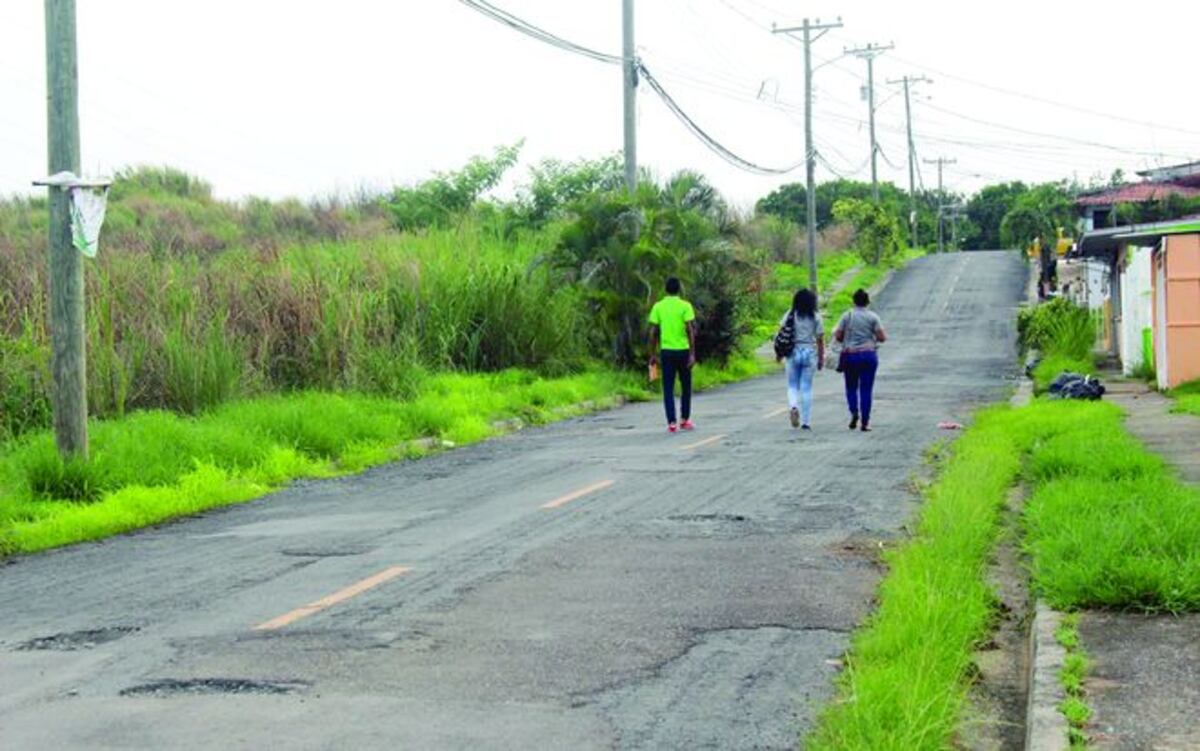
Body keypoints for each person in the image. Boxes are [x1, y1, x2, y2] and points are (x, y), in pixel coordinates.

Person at [648, 277, 697, 433]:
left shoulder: (658, 307)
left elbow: (653, 332)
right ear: (679, 289)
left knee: (668, 388)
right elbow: (690, 330)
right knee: (686, 386)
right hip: (683, 351)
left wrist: (652, 354)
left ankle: (671, 422)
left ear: (665, 290)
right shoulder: (685, 306)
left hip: (666, 352)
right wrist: (692, 354)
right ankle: (685, 419)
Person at [834, 288, 887, 432]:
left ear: (854, 301)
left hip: (850, 356)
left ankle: (853, 411)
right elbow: (882, 337)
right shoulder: (873, 317)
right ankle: (865, 422)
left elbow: (838, 335)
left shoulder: (847, 316)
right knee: (866, 389)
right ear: (867, 301)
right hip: (868, 356)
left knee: (851, 387)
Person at [776, 288, 824, 430]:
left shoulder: (790, 315)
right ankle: (806, 422)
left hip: (792, 352)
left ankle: (793, 407)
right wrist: (821, 358)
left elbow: (782, 334)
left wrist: (779, 354)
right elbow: (820, 339)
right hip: (809, 352)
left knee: (792, 385)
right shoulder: (816, 316)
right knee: (806, 388)